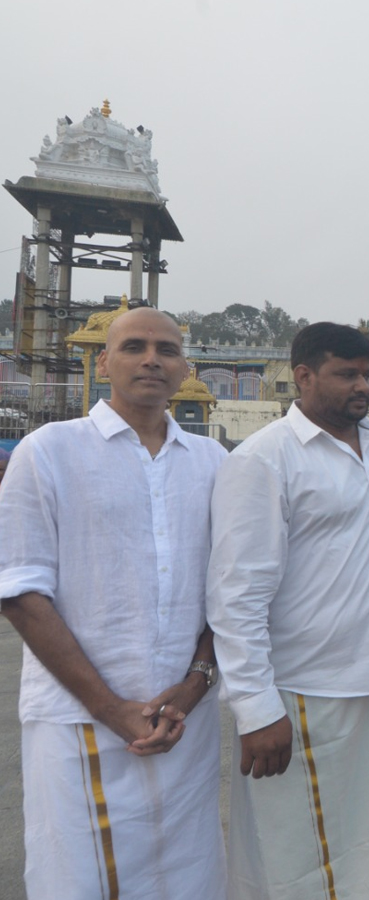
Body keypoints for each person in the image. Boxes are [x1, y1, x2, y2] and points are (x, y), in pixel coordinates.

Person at [0, 307, 227, 898]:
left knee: (186, 873)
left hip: (184, 719)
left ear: (185, 368)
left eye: (166, 349)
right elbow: (20, 591)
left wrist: (196, 683)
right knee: (80, 876)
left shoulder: (215, 464)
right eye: (133, 347)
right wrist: (110, 707)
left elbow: (230, 590)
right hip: (81, 717)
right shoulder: (48, 451)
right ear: (103, 363)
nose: (151, 359)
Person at [207, 322, 369, 900]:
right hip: (307, 692)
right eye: (347, 374)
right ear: (303, 376)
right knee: (306, 855)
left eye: (368, 375)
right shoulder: (265, 459)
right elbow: (237, 595)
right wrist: (256, 709)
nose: (362, 386)